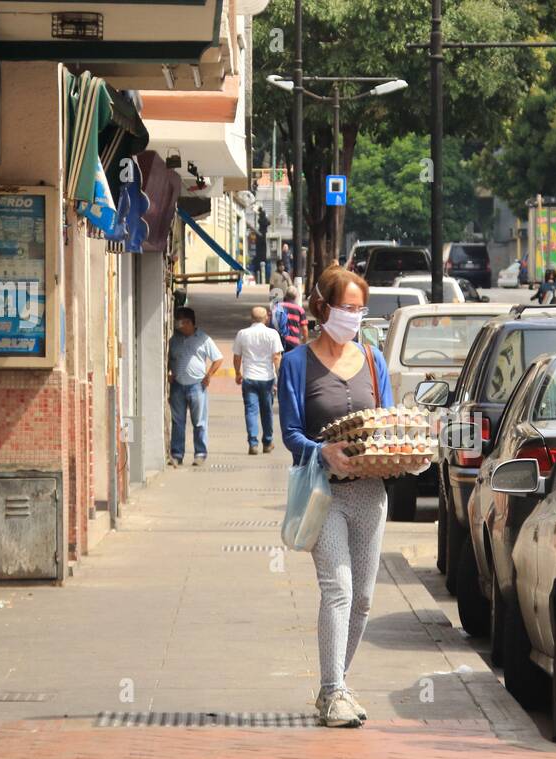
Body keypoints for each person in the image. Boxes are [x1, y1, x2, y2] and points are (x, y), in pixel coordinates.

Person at [279, 264, 394, 728]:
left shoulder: (372, 359)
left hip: (370, 493)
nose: (356, 316)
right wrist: (321, 452)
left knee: (364, 598)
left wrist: (406, 449)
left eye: (360, 308)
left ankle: (337, 686)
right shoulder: (295, 363)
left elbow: (386, 421)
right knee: (338, 589)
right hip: (324, 495)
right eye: (348, 307)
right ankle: (332, 692)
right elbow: (289, 434)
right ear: (323, 308)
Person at [167, 306, 223, 466]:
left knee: (199, 422)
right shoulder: (174, 340)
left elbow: (218, 358)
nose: (178, 326)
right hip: (178, 386)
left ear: (189, 322)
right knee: (178, 422)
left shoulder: (203, 338)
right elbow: (169, 358)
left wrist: (209, 375)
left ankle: (200, 453)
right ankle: (177, 454)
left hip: (197, 386)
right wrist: (169, 373)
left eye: (181, 323)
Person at [232, 306, 283, 454]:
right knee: (267, 411)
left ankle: (253, 443)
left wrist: (237, 372)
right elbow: (276, 356)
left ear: (251, 318)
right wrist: (279, 375)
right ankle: (267, 442)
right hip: (267, 378)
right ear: (266, 317)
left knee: (250, 411)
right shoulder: (272, 334)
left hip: (249, 377)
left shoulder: (242, 334)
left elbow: (237, 357)